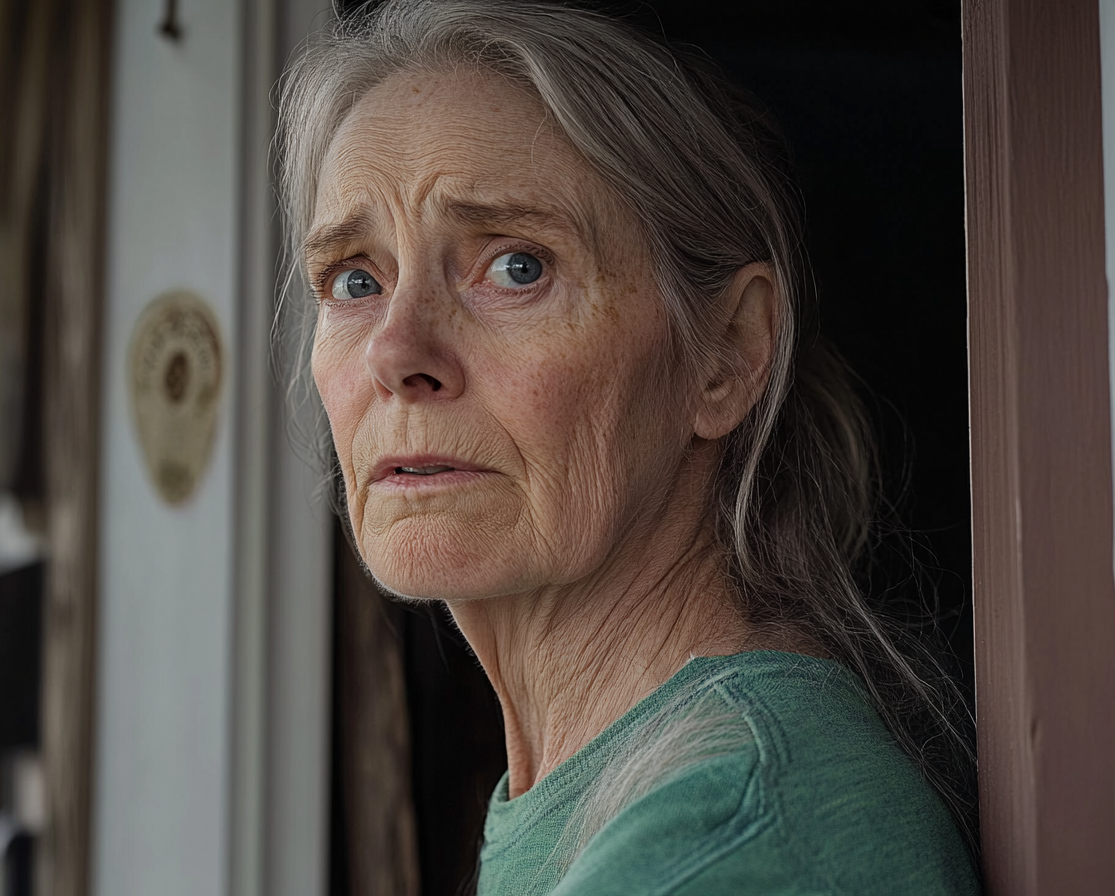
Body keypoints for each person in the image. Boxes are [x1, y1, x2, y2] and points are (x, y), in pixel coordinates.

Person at [278, 1, 980, 892]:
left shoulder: (718, 838)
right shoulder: (619, 785)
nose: (397, 352)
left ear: (725, 355)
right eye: (355, 279)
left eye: (516, 266)